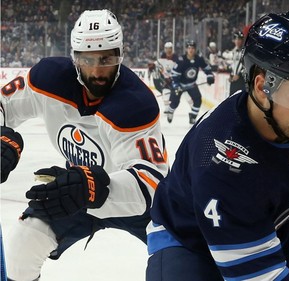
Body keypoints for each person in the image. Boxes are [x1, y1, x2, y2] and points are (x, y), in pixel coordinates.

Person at [146, 9, 289, 281]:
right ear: (262, 86)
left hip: (272, 227)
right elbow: (257, 276)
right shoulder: (220, 162)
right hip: (189, 243)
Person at [1, 9, 168, 281]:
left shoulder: (135, 104)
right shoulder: (48, 79)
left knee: (187, 260)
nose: (97, 70)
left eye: (107, 59)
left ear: (121, 54)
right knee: (23, 244)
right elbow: (3, 104)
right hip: (77, 190)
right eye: (87, 59)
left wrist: (90, 187)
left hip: (135, 202)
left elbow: (150, 184)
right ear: (74, 57)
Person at [165, 40, 215, 125]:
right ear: (186, 49)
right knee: (175, 103)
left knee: (198, 100)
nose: (191, 50)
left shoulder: (199, 59)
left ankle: (193, 116)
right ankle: (170, 111)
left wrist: (210, 76)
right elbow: (174, 75)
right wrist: (176, 85)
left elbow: (207, 68)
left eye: (192, 48)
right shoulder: (181, 60)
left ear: (195, 49)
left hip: (191, 85)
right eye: (189, 48)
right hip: (180, 85)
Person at [148, 42, 179, 109]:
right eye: (167, 48)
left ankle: (169, 102)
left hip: (173, 78)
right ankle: (167, 107)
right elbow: (159, 64)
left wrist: (171, 78)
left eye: (170, 48)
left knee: (173, 93)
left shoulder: (176, 58)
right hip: (165, 78)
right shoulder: (163, 56)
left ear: (172, 49)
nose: (168, 50)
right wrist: (153, 65)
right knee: (164, 91)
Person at [226, 30, 246, 96]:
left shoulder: (245, 52)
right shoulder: (233, 51)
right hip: (234, 81)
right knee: (231, 101)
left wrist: (239, 75)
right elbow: (233, 65)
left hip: (241, 81)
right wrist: (231, 75)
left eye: (239, 39)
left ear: (242, 40)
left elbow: (246, 66)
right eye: (236, 39)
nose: (237, 41)